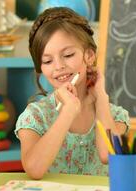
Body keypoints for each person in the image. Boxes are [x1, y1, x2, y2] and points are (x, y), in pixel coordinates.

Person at [14, 7, 129, 179]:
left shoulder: (115, 115)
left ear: (89, 55)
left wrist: (101, 97)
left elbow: (109, 156)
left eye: (67, 55)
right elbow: (34, 169)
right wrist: (68, 111)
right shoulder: (35, 116)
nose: (58, 66)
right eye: (47, 60)